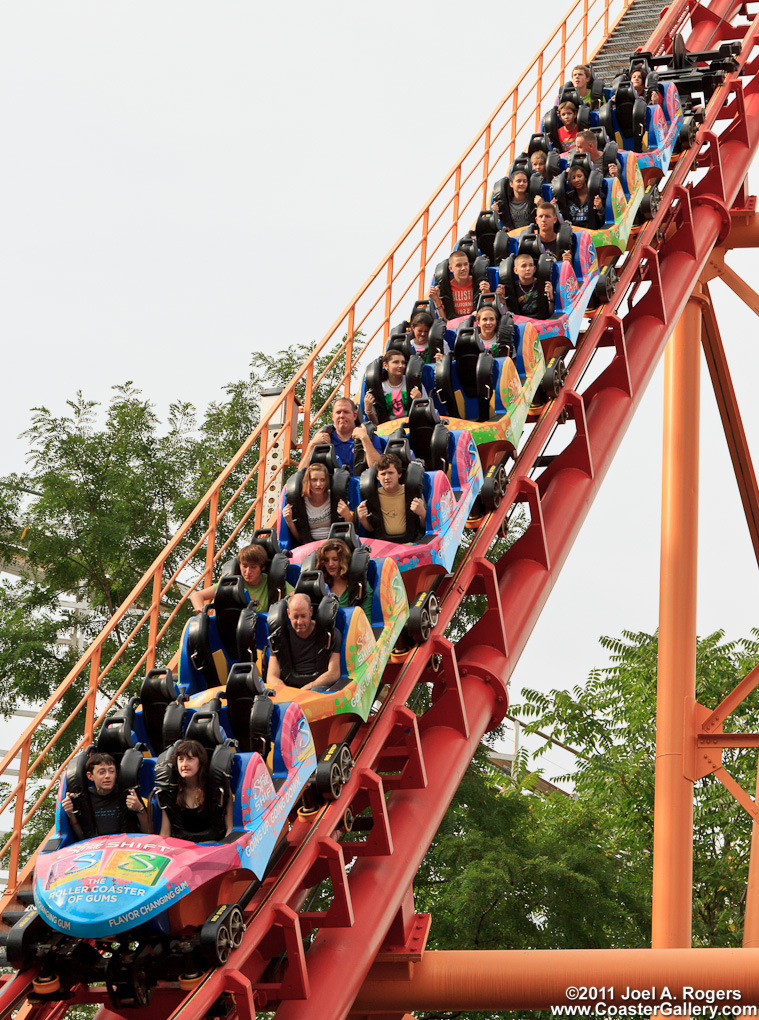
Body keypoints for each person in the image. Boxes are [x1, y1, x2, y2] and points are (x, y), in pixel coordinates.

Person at [62, 752, 150, 839]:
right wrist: (70, 813)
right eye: (101, 772)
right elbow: (80, 836)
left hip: (126, 844)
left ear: (116, 773)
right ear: (90, 776)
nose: (107, 776)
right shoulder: (84, 798)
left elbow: (149, 832)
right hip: (96, 847)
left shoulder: (128, 794)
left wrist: (139, 809)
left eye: (111, 771)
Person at [159, 740, 233, 840]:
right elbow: (165, 832)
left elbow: (230, 829)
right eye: (181, 759)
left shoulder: (217, 789)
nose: (184, 764)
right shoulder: (171, 791)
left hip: (212, 846)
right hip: (182, 848)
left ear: (200, 762)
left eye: (190, 759)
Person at [267, 592, 341, 691]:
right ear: (288, 614)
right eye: (295, 617)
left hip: (319, 688)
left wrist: (309, 687)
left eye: (303, 616)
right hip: (290, 689)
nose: (300, 622)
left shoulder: (330, 635)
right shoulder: (279, 637)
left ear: (311, 611)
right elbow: (271, 676)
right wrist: (288, 692)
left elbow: (334, 673)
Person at [191, 542, 292, 613]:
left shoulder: (273, 581)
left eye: (253, 567)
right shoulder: (233, 583)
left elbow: (295, 596)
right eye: (244, 566)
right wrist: (200, 609)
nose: (248, 572)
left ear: (262, 567)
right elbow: (196, 595)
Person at [302, 397, 383, 477]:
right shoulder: (323, 439)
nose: (341, 416)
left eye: (346, 412)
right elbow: (301, 474)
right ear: (333, 417)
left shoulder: (369, 436)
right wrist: (311, 445)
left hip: (361, 486)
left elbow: (380, 469)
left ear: (355, 416)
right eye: (338, 412)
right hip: (330, 487)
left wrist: (365, 439)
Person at [357, 453, 426, 540]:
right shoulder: (373, 496)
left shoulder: (412, 492)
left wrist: (422, 514)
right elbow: (372, 529)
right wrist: (362, 519)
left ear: (399, 474)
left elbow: (423, 526)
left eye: (390, 473)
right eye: (383, 474)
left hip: (411, 543)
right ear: (377, 477)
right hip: (385, 545)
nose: (387, 477)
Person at [282, 462, 353, 545]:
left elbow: (349, 529)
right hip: (310, 545)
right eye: (314, 480)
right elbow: (299, 538)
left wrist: (347, 516)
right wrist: (289, 521)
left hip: (335, 544)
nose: (318, 484)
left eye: (322, 480)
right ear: (308, 481)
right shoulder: (300, 502)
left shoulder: (335, 498)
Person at [315, 538, 373, 621]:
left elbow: (367, 620)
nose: (330, 564)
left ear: (343, 560)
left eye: (335, 559)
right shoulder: (319, 586)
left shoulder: (360, 586)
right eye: (326, 560)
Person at [364, 349, 427, 424]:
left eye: (403, 363)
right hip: (388, 430)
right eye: (396, 362)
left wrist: (419, 401)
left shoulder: (413, 383)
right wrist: (368, 410)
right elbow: (376, 423)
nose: (401, 366)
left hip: (412, 426)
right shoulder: (380, 388)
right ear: (385, 365)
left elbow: (426, 413)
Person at [428, 250, 492, 321]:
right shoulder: (446, 289)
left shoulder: (480, 285)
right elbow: (444, 320)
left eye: (466, 264)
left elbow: (488, 312)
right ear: (451, 268)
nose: (463, 268)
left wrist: (485, 292)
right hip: (455, 327)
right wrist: (436, 300)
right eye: (459, 265)